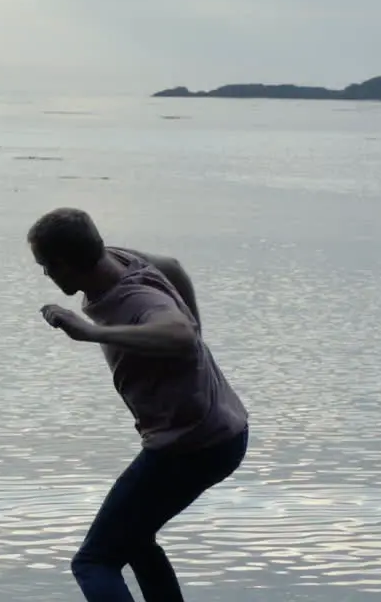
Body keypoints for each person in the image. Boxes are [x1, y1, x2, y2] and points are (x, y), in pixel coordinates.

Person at [26, 207, 249, 602]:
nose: (46, 274)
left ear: (66, 263)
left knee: (94, 561)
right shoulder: (120, 258)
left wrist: (91, 332)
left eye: (47, 266)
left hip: (192, 446)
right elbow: (173, 266)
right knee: (134, 539)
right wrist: (196, 325)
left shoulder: (134, 297)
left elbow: (178, 334)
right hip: (221, 432)